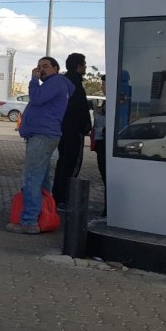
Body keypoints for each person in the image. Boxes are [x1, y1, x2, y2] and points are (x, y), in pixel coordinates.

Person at [7, 57, 74, 234]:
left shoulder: (55, 82)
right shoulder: (58, 84)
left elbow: (36, 99)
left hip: (41, 136)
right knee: (42, 179)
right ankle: (43, 216)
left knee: (31, 178)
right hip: (44, 135)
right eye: (38, 66)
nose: (40, 70)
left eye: (45, 66)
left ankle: (29, 221)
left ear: (56, 68)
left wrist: (33, 79)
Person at [51, 53, 91, 211]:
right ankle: (64, 199)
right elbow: (79, 109)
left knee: (62, 163)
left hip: (62, 130)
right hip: (73, 131)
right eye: (84, 63)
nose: (86, 67)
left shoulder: (63, 82)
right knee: (71, 164)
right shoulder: (76, 84)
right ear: (79, 66)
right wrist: (85, 126)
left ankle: (57, 196)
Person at [91, 74, 107, 217]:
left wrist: (97, 113)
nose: (102, 87)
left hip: (105, 143)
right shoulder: (109, 102)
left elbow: (104, 123)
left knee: (107, 176)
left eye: (104, 84)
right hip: (101, 142)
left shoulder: (115, 101)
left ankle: (108, 210)